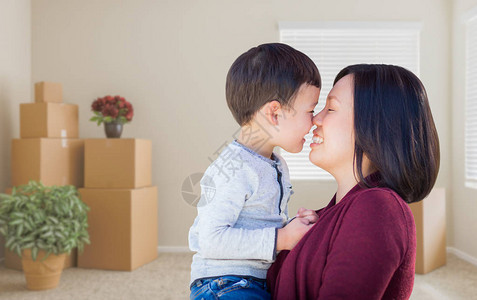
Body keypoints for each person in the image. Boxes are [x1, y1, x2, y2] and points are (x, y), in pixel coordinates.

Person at [267, 64, 440, 300]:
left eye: (331, 108)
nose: (315, 119)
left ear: (375, 126)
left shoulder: (379, 208)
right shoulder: (331, 214)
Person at [188, 43, 321, 300]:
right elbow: (211, 240)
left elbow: (257, 223)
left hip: (256, 281)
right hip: (224, 284)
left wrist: (292, 227)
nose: (315, 120)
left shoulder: (276, 163)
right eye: (310, 110)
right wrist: (281, 238)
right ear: (274, 113)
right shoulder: (234, 168)